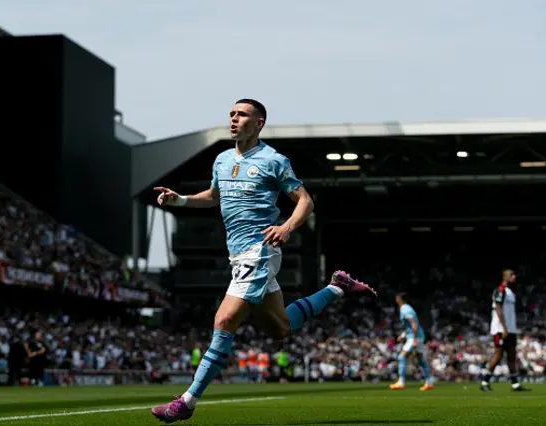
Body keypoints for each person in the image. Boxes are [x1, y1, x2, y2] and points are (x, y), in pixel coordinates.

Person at [151, 99, 377, 423]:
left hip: (260, 249)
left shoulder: (273, 160)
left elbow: (306, 202)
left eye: (241, 115)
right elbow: (215, 196)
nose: (233, 119)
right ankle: (336, 288)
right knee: (280, 329)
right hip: (238, 255)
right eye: (231, 114)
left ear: (258, 123)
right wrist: (182, 199)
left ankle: (187, 401)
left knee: (224, 320)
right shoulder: (221, 160)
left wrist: (286, 227)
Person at [480, 269, 530, 392]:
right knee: (498, 355)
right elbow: (498, 309)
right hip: (500, 329)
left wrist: (511, 328)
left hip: (511, 329)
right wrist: (504, 328)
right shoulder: (500, 291)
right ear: (505, 277)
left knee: (512, 356)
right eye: (511, 275)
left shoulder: (511, 293)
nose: (514, 276)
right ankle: (485, 382)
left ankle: (515, 384)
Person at [389, 293, 434, 391]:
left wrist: (413, 339)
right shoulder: (407, 308)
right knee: (420, 360)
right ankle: (429, 383)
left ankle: (401, 382)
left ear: (399, 299)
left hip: (415, 337)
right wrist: (403, 335)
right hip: (417, 336)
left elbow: (413, 324)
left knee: (401, 357)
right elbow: (409, 326)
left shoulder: (405, 309)